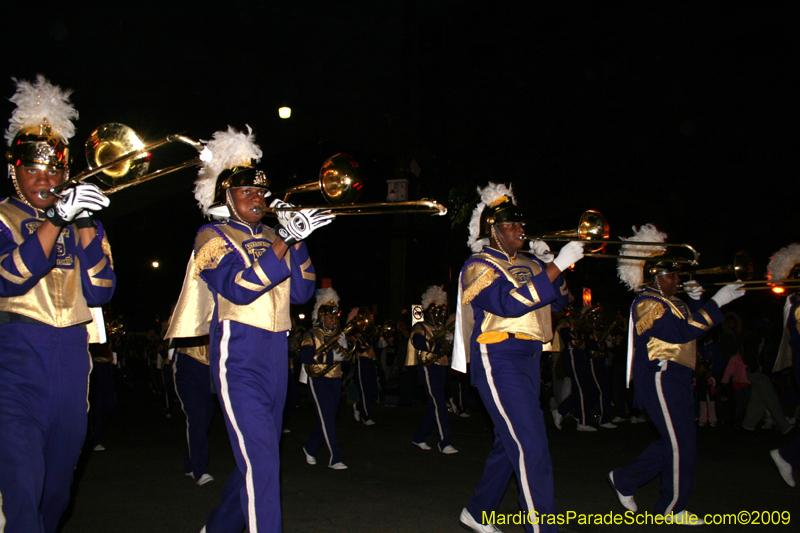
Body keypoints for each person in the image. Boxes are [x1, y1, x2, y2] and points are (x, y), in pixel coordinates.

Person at [164, 126, 331, 533]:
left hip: (277, 355)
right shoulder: (211, 235)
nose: (257, 198)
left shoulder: (277, 235)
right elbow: (238, 289)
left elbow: (303, 292)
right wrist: (284, 243)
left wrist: (298, 238)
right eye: (246, 192)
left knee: (260, 460)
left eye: (260, 192)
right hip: (237, 355)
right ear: (226, 198)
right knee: (261, 462)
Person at [0, 76, 115, 532]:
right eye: (32, 169)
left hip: (71, 359)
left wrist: (84, 222)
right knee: (21, 485)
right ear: (14, 171)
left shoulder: (80, 220)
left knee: (58, 489)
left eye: (54, 171)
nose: (44, 179)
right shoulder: (3, 216)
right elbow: (9, 277)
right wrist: (52, 221)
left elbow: (102, 290)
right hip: (14, 357)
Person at [452, 183, 581, 533]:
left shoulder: (530, 262)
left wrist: (554, 264)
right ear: (493, 231)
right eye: (511, 225)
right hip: (497, 356)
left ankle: (479, 512)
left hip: (528, 356)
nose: (521, 230)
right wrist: (554, 269)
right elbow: (507, 304)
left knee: (510, 443)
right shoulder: (478, 265)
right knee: (532, 445)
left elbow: (559, 303)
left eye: (521, 224)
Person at [608, 224, 745, 524]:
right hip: (660, 375)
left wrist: (698, 299)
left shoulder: (676, 302)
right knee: (680, 443)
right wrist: (717, 302)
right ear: (656, 276)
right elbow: (681, 332)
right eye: (672, 274)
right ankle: (671, 509)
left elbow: (695, 325)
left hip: (679, 377)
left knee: (679, 441)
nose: (678, 279)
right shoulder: (647, 303)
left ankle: (625, 479)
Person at [299, 288, 350, 470]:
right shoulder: (311, 334)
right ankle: (334, 457)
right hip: (317, 379)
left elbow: (345, 361)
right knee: (327, 418)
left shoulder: (337, 335)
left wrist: (344, 348)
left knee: (327, 418)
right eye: (330, 317)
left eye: (335, 317)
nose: (333, 320)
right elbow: (305, 356)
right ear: (322, 317)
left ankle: (310, 447)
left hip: (335, 379)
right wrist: (330, 358)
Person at [406, 285, 459, 454]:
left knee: (434, 405)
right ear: (430, 312)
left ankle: (419, 437)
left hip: (441, 366)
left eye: (443, 312)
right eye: (438, 312)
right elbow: (418, 343)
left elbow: (447, 350)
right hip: (428, 367)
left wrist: (450, 342)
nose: (441, 316)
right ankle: (444, 442)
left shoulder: (441, 329)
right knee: (439, 404)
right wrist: (440, 346)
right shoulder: (420, 326)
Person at [170, 335, 217, 485]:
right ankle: (200, 470)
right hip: (188, 362)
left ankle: (190, 463)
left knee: (205, 419)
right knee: (196, 416)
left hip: (210, 367)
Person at [351, 306, 379, 425]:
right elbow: (356, 346)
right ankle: (366, 417)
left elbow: (376, 347)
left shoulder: (369, 333)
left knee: (373, 390)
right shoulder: (354, 334)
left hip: (371, 363)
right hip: (361, 363)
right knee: (364, 391)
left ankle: (358, 406)